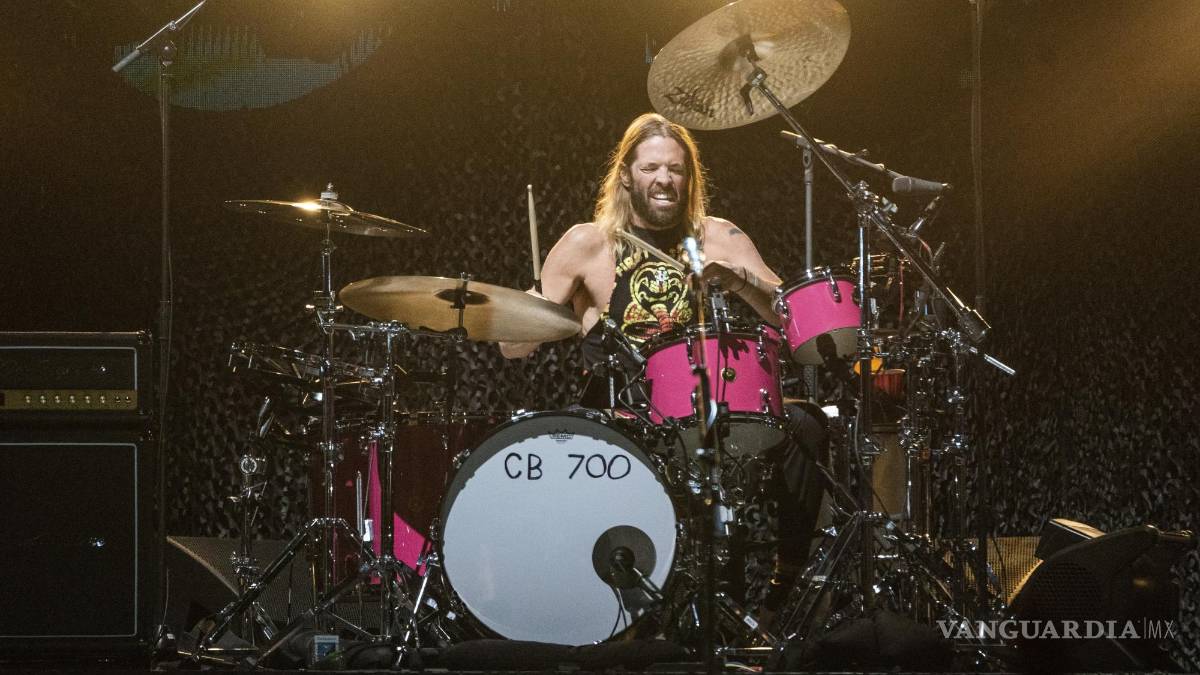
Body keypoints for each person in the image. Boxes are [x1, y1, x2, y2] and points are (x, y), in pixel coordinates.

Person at [500, 112, 827, 614]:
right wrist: (522, 312)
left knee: (806, 424)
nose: (664, 179)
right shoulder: (588, 244)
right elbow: (511, 347)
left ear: (689, 178)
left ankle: (787, 586)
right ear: (626, 175)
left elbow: (794, 318)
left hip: (710, 410)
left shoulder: (719, 237)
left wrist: (740, 280)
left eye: (675, 169)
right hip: (623, 417)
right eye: (651, 168)